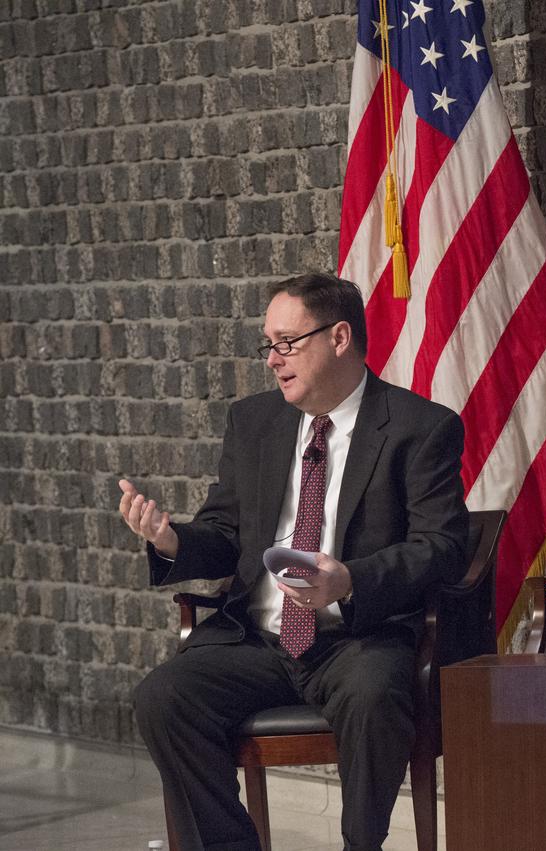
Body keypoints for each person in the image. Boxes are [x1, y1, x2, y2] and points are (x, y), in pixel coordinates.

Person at [119, 272, 468, 851]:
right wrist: (172, 541)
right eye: (268, 345)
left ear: (338, 338)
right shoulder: (254, 422)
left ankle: (362, 844)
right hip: (258, 641)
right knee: (163, 695)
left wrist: (350, 579)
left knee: (374, 695)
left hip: (358, 636)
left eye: (287, 343)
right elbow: (226, 532)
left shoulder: (419, 427)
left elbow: (444, 546)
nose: (272, 359)